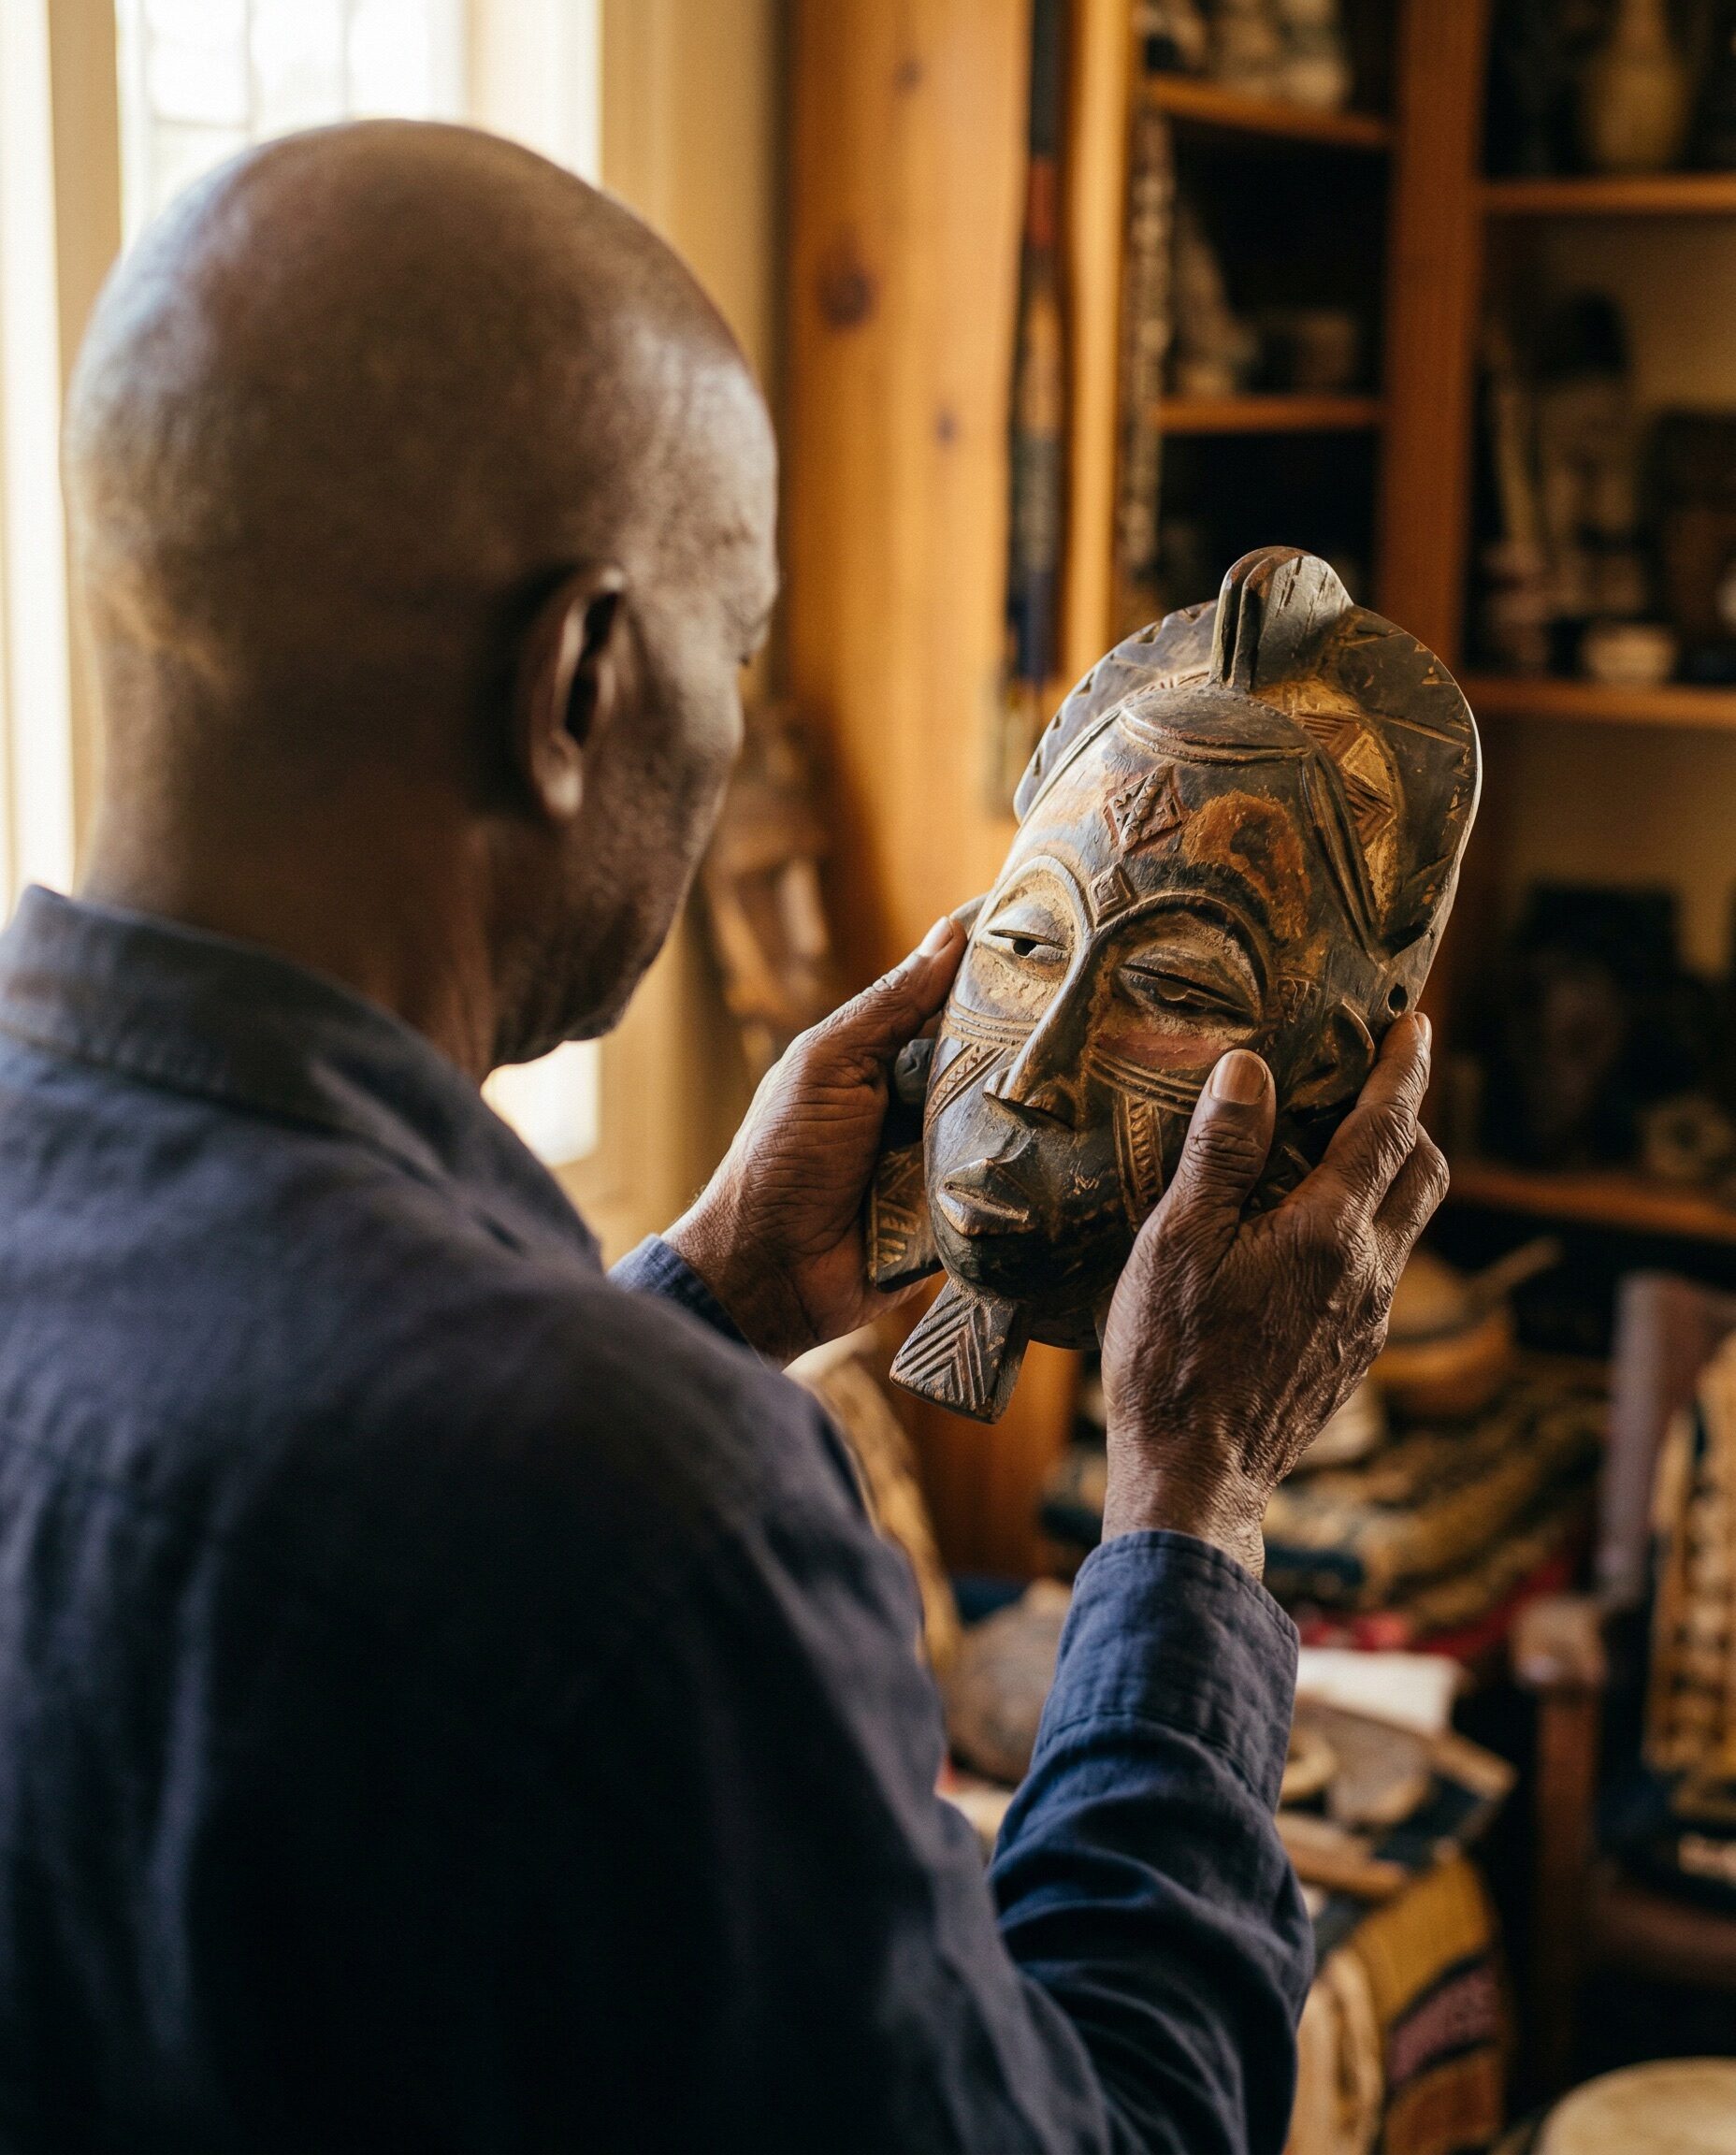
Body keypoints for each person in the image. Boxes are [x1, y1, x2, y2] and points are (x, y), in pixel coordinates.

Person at [0, 123, 1446, 2152]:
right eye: (736, 644)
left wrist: (703, 1299)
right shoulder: (647, 1528)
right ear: (580, 680)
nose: (737, 721)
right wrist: (1192, 1503)